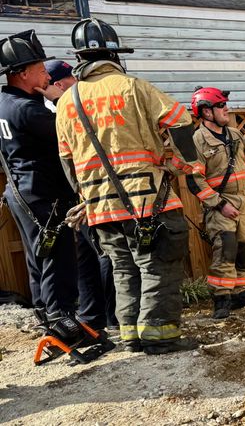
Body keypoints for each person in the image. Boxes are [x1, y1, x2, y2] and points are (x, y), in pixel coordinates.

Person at [55, 18, 203, 355]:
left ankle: (131, 335)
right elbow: (179, 122)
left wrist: (88, 195)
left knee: (123, 269)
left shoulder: (67, 101)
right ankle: (160, 335)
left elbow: (67, 159)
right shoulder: (133, 87)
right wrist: (184, 164)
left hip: (100, 207)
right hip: (148, 201)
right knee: (158, 265)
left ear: (80, 58)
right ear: (114, 55)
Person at [0, 30, 105, 343]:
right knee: (58, 260)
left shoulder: (5, 103)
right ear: (22, 74)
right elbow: (72, 131)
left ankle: (48, 319)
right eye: (40, 68)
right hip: (44, 195)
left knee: (39, 260)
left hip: (21, 193)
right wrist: (59, 98)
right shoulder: (28, 110)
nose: (46, 72)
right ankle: (64, 327)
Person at [45, 59, 119, 332]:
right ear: (60, 84)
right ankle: (113, 318)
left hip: (77, 196)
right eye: (71, 81)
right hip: (87, 195)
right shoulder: (60, 111)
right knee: (106, 254)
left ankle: (92, 316)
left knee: (88, 257)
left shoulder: (59, 109)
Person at [187, 87, 245, 319]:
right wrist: (219, 204)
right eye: (221, 105)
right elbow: (195, 181)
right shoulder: (198, 140)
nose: (227, 109)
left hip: (243, 201)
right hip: (220, 205)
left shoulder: (236, 135)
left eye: (225, 104)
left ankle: (239, 292)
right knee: (226, 248)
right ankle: (222, 298)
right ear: (206, 112)